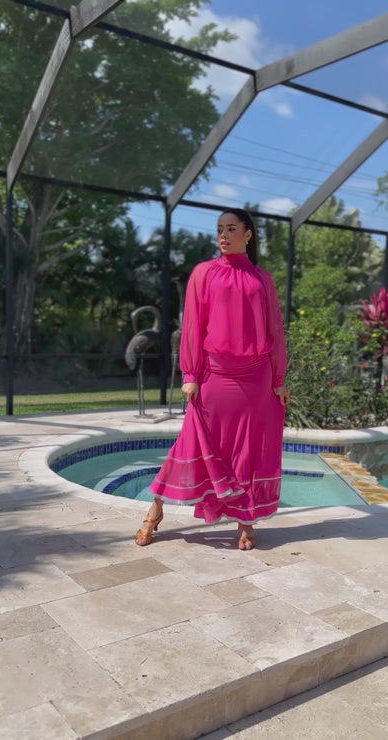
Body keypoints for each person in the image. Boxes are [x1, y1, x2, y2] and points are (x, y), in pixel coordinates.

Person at [134, 208, 290, 550]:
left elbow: (274, 329)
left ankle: (245, 520)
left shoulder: (263, 279)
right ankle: (155, 509)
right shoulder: (204, 273)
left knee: (248, 450)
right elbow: (192, 324)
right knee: (191, 440)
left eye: (231, 229)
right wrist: (190, 373)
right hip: (214, 374)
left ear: (248, 234)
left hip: (257, 377)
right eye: (220, 229)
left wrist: (278, 378)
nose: (223, 235)